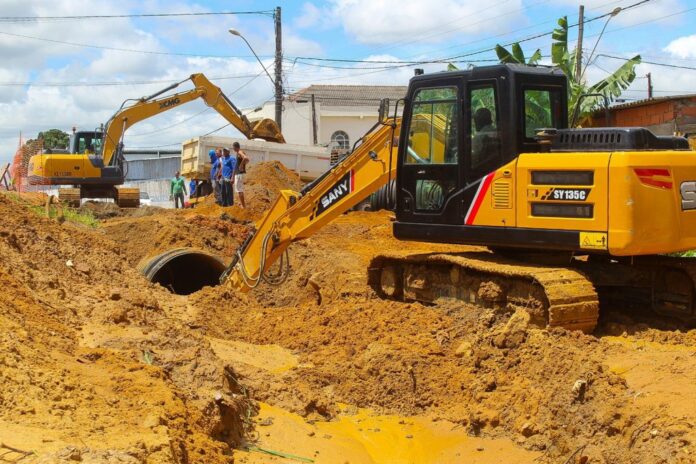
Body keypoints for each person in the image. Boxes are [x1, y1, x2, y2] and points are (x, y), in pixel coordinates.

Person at [232, 142, 249, 209]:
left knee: (239, 190)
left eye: (233, 147)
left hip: (239, 174)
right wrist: (243, 164)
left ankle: (243, 205)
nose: (233, 149)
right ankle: (242, 204)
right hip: (239, 174)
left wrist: (241, 165)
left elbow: (245, 158)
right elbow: (247, 160)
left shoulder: (239, 152)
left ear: (235, 147)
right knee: (239, 190)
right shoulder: (239, 153)